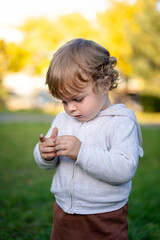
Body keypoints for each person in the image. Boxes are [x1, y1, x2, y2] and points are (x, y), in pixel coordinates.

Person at [33, 38, 143, 240]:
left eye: (77, 98)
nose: (70, 108)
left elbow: (124, 168)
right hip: (64, 210)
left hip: (103, 215)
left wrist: (81, 152)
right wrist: (44, 154)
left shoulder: (121, 122)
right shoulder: (63, 119)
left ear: (104, 84)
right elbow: (48, 163)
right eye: (64, 101)